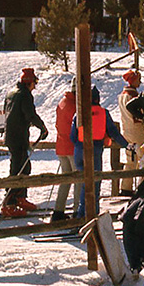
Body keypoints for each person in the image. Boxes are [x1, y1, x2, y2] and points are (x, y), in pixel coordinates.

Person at [70, 86, 128, 218]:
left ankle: (81, 214)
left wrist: (79, 145)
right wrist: (126, 145)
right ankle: (91, 215)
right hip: (95, 149)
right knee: (94, 184)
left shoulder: (79, 113)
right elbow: (114, 132)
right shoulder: (103, 113)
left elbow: (72, 136)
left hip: (79, 150)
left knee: (83, 183)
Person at [1, 68, 48, 217]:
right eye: (34, 83)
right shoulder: (24, 95)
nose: (35, 86)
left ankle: (20, 197)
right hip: (18, 136)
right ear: (29, 83)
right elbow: (29, 114)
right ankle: (9, 203)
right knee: (18, 169)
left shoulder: (11, 93)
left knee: (23, 166)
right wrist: (42, 127)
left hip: (11, 135)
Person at [52, 81, 79, 222]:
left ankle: (58, 210)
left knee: (66, 179)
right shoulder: (75, 106)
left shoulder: (63, 102)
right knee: (78, 180)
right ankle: (77, 211)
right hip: (72, 146)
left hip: (61, 145)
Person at [118, 70, 144, 195]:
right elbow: (138, 114)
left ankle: (126, 187)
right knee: (143, 158)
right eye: (138, 79)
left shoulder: (122, 95)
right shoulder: (133, 96)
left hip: (126, 130)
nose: (139, 82)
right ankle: (143, 186)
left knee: (130, 160)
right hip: (137, 130)